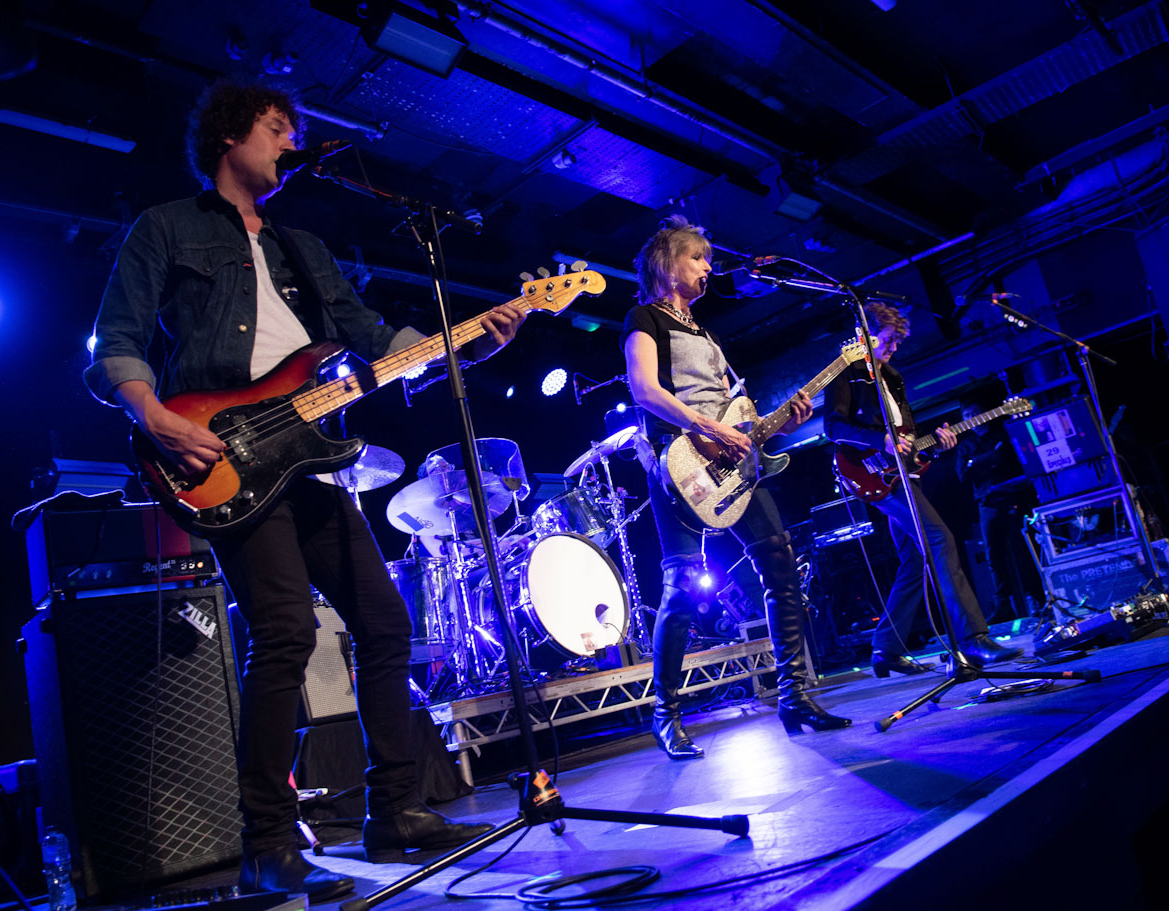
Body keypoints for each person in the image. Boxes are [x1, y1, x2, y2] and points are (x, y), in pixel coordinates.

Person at [84, 82, 524, 900]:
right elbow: (117, 336)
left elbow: (369, 340)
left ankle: (397, 810)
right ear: (228, 135)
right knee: (285, 632)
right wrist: (156, 419)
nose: (292, 141)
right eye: (278, 127)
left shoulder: (304, 248)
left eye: (296, 130)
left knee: (386, 626)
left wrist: (469, 343)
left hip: (310, 457)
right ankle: (266, 842)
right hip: (222, 451)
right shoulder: (168, 227)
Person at [621, 216, 851, 760]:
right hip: (678, 463)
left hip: (735, 462)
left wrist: (778, 423)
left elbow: (737, 415)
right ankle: (666, 714)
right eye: (698, 258)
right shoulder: (643, 318)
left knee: (781, 564)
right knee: (679, 588)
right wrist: (705, 427)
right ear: (668, 264)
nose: (707, 267)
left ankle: (794, 695)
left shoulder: (708, 336)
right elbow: (643, 389)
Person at [825, 304, 1022, 677]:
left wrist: (936, 444)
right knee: (940, 539)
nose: (894, 348)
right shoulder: (847, 372)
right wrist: (879, 441)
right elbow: (833, 427)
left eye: (898, 342)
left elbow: (907, 440)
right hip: (873, 474)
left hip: (900, 473)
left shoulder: (892, 378)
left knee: (916, 559)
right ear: (864, 334)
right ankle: (973, 640)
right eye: (888, 340)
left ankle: (886, 648)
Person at [956, 399, 1041, 622]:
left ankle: (1035, 597)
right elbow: (963, 475)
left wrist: (976, 462)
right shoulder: (965, 445)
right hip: (986, 503)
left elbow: (1006, 458)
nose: (971, 418)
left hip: (1011, 497)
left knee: (1023, 548)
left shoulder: (1001, 434)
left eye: (975, 412)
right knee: (993, 554)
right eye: (966, 415)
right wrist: (987, 458)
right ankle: (1003, 604)